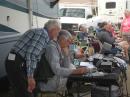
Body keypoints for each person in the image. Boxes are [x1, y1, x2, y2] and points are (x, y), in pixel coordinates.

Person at [5, 19, 61, 97]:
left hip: (14, 61)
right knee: (26, 92)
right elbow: (31, 54)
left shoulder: (40, 32)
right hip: (17, 62)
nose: (58, 34)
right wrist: (30, 77)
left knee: (25, 92)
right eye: (58, 32)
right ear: (53, 30)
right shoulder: (43, 34)